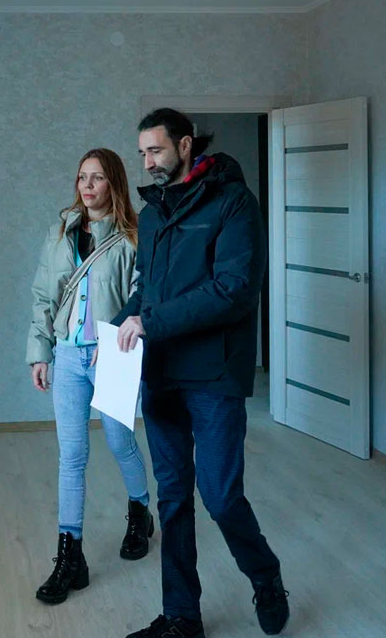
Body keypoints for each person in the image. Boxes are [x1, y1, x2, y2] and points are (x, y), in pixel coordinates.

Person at [114, 109, 289, 638]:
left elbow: (234, 290)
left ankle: (265, 575)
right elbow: (147, 291)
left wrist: (150, 321)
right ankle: (181, 617)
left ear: (186, 145)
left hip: (213, 376)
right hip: (161, 375)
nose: (148, 162)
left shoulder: (234, 202)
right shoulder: (151, 214)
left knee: (219, 495)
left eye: (156, 150)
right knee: (172, 498)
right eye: (142, 153)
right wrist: (117, 329)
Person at [26, 147, 154, 606]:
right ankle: (70, 556)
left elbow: (142, 296)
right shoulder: (61, 233)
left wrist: (116, 336)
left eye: (97, 177)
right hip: (67, 354)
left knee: (119, 440)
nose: (87, 185)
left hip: (114, 355)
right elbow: (44, 295)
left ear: (112, 183)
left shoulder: (132, 237)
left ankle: (140, 511)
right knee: (72, 456)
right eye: (82, 176)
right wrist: (40, 353)